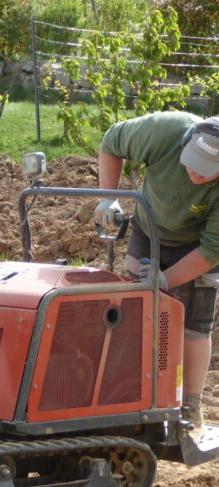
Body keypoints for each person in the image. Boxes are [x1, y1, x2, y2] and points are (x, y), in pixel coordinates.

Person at [94, 111, 219, 431]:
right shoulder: (164, 130)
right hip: (148, 230)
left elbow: (211, 250)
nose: (195, 173)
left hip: (197, 247)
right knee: (134, 315)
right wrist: (109, 199)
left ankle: (190, 407)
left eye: (207, 172)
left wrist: (165, 279)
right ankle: (127, 395)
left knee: (194, 325)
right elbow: (111, 141)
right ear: (186, 142)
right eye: (191, 162)